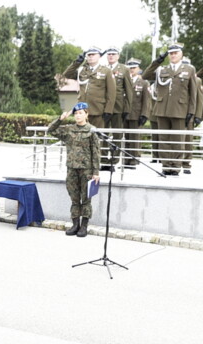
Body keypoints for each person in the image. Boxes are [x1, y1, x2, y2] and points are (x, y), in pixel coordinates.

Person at [142, 42, 198, 176]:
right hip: (162, 109)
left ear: (181, 54)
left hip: (180, 109)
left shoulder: (189, 69)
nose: (173, 55)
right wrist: (157, 61)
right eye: (171, 53)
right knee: (164, 139)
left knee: (177, 139)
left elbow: (193, 92)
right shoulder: (162, 69)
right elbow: (145, 75)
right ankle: (166, 166)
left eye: (175, 53)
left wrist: (191, 111)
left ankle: (176, 166)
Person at [46, 102, 101, 237]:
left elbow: (96, 152)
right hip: (72, 169)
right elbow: (50, 131)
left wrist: (96, 172)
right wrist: (60, 119)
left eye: (81, 113)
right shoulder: (69, 129)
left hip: (86, 170)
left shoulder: (92, 130)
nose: (78, 116)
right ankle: (75, 224)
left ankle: (84, 226)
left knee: (86, 199)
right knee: (74, 198)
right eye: (76, 113)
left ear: (86, 114)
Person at [63, 47, 117, 169]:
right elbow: (66, 75)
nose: (91, 57)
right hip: (82, 110)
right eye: (89, 55)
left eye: (93, 54)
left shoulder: (106, 71)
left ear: (99, 56)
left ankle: (100, 162)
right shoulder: (82, 70)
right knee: (82, 137)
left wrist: (108, 109)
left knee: (98, 138)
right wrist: (77, 62)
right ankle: (84, 162)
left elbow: (111, 93)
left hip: (98, 109)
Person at [104, 47, 134, 167]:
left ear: (118, 56)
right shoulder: (103, 68)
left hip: (118, 106)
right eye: (109, 54)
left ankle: (114, 160)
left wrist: (127, 108)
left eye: (113, 54)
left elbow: (129, 90)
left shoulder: (124, 69)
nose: (111, 56)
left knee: (117, 135)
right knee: (103, 133)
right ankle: (103, 159)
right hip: (104, 107)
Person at [125, 58, 150, 169]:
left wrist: (144, 114)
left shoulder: (143, 82)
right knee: (126, 138)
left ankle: (133, 160)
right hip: (125, 114)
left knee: (135, 138)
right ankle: (126, 160)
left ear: (138, 68)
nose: (132, 70)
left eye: (134, 68)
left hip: (136, 114)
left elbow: (146, 100)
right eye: (130, 68)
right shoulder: (124, 81)